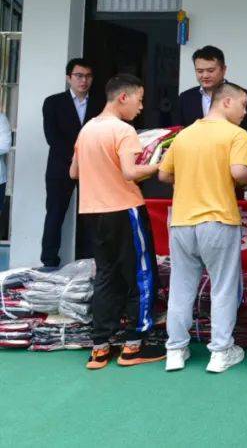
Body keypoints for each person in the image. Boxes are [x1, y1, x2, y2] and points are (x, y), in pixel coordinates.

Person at [159, 82, 247, 374]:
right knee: (224, 287)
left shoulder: (184, 135)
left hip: (181, 222)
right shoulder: (236, 135)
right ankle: (220, 352)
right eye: (243, 106)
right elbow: (239, 173)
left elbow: (164, 174)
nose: (244, 112)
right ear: (226, 102)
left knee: (180, 287)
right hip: (218, 219)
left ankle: (175, 350)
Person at [72, 74, 163, 369]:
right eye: (139, 99)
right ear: (123, 97)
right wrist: (159, 164)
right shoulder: (123, 130)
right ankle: (134, 346)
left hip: (91, 211)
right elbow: (130, 172)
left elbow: (74, 172)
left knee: (106, 277)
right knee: (141, 274)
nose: (140, 107)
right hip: (125, 209)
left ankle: (100, 347)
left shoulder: (87, 130)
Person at [40, 58, 104, 269]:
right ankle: (49, 261)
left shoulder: (100, 103)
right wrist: (76, 158)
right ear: (69, 78)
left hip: (92, 168)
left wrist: (87, 160)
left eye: (87, 76)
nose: (83, 80)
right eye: (78, 76)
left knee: (91, 215)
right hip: (60, 166)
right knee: (55, 212)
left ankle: (90, 260)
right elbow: (53, 138)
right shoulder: (53, 102)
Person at [177, 45, 247, 140]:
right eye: (200, 71)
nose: (205, 75)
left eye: (210, 70)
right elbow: (179, 133)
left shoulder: (243, 95)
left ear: (223, 70)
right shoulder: (186, 98)